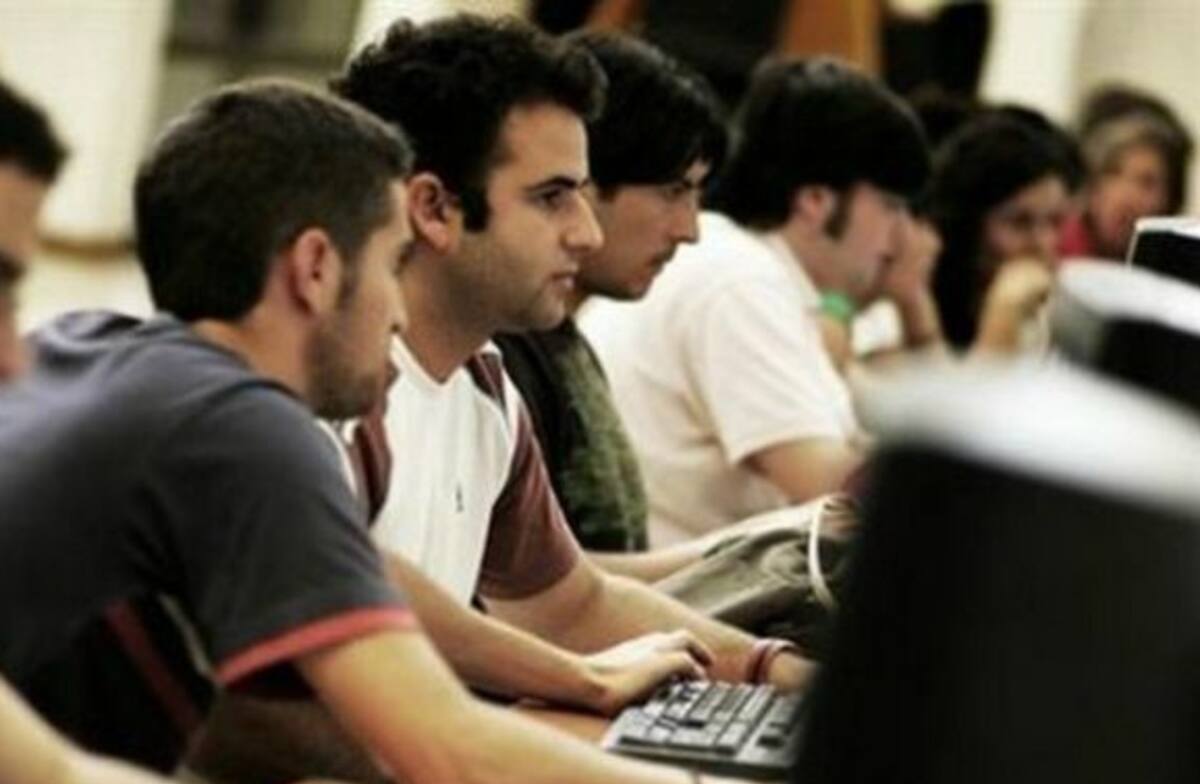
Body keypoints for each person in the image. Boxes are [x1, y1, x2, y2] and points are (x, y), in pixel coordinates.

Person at [0, 77, 775, 784]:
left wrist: (580, 680)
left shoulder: (82, 347)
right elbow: (451, 760)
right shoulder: (238, 428)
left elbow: (367, 572)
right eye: (391, 262)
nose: (400, 310)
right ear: (315, 268)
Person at [327, 15, 808, 711]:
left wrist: (781, 675)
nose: (586, 233)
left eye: (582, 194)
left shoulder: (486, 383)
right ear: (433, 208)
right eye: (552, 197)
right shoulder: (332, 394)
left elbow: (572, 605)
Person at [584, 57, 931, 544]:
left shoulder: (756, 274)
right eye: (891, 207)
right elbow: (835, 488)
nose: (902, 238)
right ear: (816, 201)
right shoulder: (740, 282)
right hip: (667, 580)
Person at [493, 30, 726, 573]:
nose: (690, 230)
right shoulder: (497, 356)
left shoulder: (564, 342)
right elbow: (534, 591)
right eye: (673, 191)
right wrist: (753, 554)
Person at [927, 107, 1081, 353]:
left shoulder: (1046, 319)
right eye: (1019, 222)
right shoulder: (911, 310)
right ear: (968, 225)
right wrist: (1006, 307)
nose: (1042, 243)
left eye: (1054, 221)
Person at [1060, 83, 1193, 262]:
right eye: (1113, 173)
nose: (1127, 197)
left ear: (1169, 200)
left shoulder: (1176, 266)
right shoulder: (1053, 248)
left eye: (1147, 182)